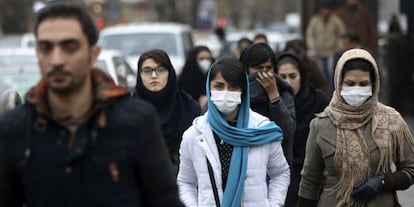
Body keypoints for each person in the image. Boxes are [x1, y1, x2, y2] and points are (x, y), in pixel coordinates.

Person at [0, 2, 184, 206]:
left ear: (93, 54)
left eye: (70, 47)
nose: (57, 60)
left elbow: (165, 200)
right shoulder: (16, 128)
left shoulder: (135, 121)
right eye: (46, 48)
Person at [297, 48, 414, 207]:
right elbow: (310, 180)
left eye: (364, 84)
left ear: (374, 84)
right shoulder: (321, 124)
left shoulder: (392, 120)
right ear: (339, 82)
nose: (357, 90)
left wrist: (383, 182)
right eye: (350, 84)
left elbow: (411, 169)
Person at [177, 56, 290, 207]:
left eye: (233, 88)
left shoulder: (261, 130)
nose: (225, 93)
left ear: (243, 91)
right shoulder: (194, 135)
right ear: (209, 88)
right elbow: (185, 182)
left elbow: (280, 173)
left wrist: (273, 204)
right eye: (219, 86)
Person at [274, 52, 329, 207]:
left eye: (293, 76)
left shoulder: (318, 101)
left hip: (312, 175)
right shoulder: (271, 103)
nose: (288, 82)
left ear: (302, 76)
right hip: (281, 174)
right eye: (282, 77)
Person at [134, 49, 201, 173]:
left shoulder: (190, 108)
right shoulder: (128, 111)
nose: (154, 76)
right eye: (147, 71)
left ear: (170, 73)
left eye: (160, 70)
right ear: (139, 75)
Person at [239, 42, 296, 165]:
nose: (264, 74)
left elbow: (287, 131)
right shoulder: (238, 94)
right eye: (259, 68)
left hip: (276, 166)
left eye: (268, 68)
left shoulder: (283, 92)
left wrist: (274, 97)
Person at [306, 0, 345, 93]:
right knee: (321, 74)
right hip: (318, 52)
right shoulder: (315, 21)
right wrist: (311, 46)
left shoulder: (336, 21)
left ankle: (331, 92)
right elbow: (309, 35)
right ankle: (322, 92)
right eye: (324, 9)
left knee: (331, 73)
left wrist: (339, 46)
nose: (326, 12)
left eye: (328, 9)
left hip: (331, 52)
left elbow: (342, 34)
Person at [178, 45, 214, 110]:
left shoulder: (214, 77)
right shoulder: (185, 79)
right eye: (201, 59)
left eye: (208, 59)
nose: (205, 62)